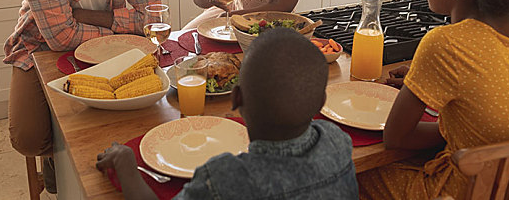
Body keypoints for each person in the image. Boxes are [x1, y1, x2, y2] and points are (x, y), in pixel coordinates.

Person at [3, 0, 161, 191]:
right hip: (42, 47)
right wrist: (118, 22)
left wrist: (87, 16)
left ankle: (95, 169)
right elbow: (60, 37)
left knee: (134, 120)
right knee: (28, 137)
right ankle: (57, 160)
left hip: (115, 46)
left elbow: (152, 17)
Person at [358, 0, 509, 199]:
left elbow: (396, 137)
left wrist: (449, 133)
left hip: (460, 191)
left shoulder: (446, 45)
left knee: (353, 171)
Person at [96, 28, 358, 199]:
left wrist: (126, 166)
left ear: (237, 99)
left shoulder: (222, 180)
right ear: (321, 102)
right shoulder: (337, 141)